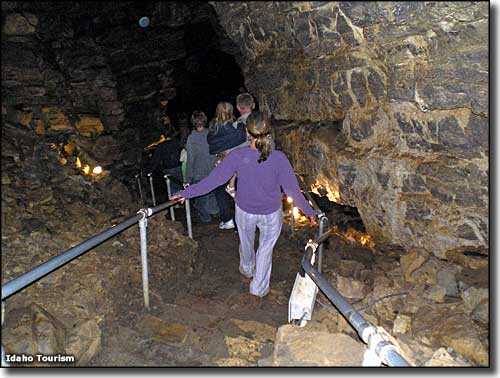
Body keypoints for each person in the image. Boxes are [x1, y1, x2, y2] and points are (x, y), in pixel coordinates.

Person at [171, 111, 316, 303]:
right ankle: (257, 289)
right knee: (265, 251)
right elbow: (292, 191)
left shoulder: (238, 156)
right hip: (271, 213)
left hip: (245, 210)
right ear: (268, 132)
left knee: (246, 243)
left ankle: (247, 269)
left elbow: (213, 181)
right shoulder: (279, 159)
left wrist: (185, 193)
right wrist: (309, 211)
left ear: (247, 134)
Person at [207, 102, 247, 230]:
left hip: (221, 162)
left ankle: (228, 219)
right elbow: (241, 139)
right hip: (237, 164)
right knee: (238, 192)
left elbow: (212, 144)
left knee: (219, 191)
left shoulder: (213, 128)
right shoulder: (235, 127)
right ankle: (239, 223)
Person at [185, 111, 219, 223]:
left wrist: (187, 179)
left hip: (199, 172)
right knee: (212, 195)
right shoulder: (212, 134)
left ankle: (206, 219)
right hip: (213, 170)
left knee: (201, 199)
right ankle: (215, 213)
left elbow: (190, 160)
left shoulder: (192, 139)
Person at [149, 128, 183, 193]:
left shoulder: (161, 146)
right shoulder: (177, 142)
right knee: (181, 185)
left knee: (173, 188)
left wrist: (150, 170)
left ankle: (176, 201)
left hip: (168, 169)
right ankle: (184, 200)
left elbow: (156, 160)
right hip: (179, 167)